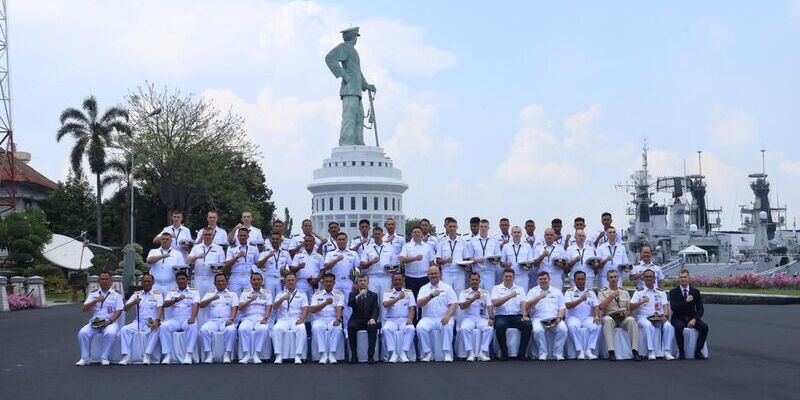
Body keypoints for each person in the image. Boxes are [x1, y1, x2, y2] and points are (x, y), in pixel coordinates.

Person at [324, 26, 376, 146]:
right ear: (353, 37)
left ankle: (358, 142)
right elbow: (329, 58)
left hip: (357, 91)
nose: (356, 39)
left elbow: (357, 71)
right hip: (349, 91)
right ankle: (346, 143)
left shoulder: (354, 52)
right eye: (355, 36)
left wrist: (366, 85)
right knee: (349, 118)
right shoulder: (344, 48)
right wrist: (344, 75)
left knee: (359, 119)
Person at [76, 271, 124, 366]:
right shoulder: (93, 294)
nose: (104, 281)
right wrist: (96, 300)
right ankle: (84, 358)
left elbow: (119, 311)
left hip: (110, 322)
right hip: (96, 322)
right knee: (82, 333)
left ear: (111, 281)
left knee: (110, 333)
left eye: (106, 279)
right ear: (99, 281)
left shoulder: (117, 295)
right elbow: (84, 309)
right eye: (102, 279)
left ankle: (104, 357)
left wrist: (109, 321)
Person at [630, 269, 675, 360]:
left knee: (669, 326)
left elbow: (665, 306)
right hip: (644, 317)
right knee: (648, 325)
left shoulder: (660, 292)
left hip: (659, 317)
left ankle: (667, 351)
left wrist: (665, 316)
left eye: (651, 276)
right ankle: (651, 351)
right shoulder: (639, 292)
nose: (649, 278)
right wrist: (641, 302)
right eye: (647, 276)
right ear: (643, 278)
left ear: (654, 278)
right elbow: (631, 306)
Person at [119, 274, 163, 365]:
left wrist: (157, 320)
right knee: (124, 330)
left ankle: (147, 355)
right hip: (139, 321)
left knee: (156, 329)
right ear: (141, 283)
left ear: (153, 283)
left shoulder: (157, 294)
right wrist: (134, 302)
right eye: (144, 281)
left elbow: (160, 308)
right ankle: (126, 356)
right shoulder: (136, 294)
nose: (146, 283)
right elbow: (125, 308)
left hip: (151, 322)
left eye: (148, 281)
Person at [416, 266, 458, 362]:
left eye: (435, 273)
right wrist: (431, 296)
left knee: (447, 326)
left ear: (440, 274)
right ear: (428, 275)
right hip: (428, 318)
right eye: (431, 274)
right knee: (420, 327)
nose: (433, 275)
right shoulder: (424, 288)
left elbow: (453, 304)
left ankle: (446, 352)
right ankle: (427, 353)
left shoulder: (447, 287)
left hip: (443, 317)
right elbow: (419, 304)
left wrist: (447, 316)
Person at [523, 271, 568, 361]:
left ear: (549, 279)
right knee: (537, 330)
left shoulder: (557, 291)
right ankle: (543, 353)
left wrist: (559, 317)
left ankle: (558, 353)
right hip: (538, 319)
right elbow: (527, 305)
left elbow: (562, 308)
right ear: (537, 281)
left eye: (545, 279)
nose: (543, 280)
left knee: (563, 329)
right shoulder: (533, 291)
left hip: (554, 318)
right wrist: (539, 297)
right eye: (540, 279)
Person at [598, 269, 640, 361]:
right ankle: (611, 352)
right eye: (611, 277)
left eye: (615, 277)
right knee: (607, 320)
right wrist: (611, 296)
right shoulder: (602, 291)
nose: (613, 279)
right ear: (608, 279)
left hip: (623, 318)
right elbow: (601, 307)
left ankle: (635, 351)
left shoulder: (624, 291)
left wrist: (627, 313)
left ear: (618, 278)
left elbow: (629, 308)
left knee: (631, 320)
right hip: (611, 317)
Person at [491, 268, 532, 360]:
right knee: (500, 326)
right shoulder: (496, 288)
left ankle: (522, 353)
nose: (508, 278)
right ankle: (504, 353)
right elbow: (495, 303)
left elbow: (523, 304)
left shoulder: (520, 289)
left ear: (514, 278)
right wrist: (509, 296)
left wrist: (525, 315)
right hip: (501, 315)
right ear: (502, 277)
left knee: (528, 325)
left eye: (510, 276)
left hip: (516, 316)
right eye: (506, 276)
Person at [160, 271, 200, 365]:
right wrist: (177, 299)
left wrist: (193, 317)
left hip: (187, 319)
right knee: (163, 326)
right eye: (179, 279)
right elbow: (165, 304)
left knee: (193, 325)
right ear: (176, 281)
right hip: (175, 319)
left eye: (183, 279)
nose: (181, 281)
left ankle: (188, 354)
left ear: (187, 280)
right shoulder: (172, 292)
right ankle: (167, 354)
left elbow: (196, 305)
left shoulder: (194, 292)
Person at [669, 269, 709, 359]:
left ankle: (698, 351)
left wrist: (695, 319)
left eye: (685, 277)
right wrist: (685, 301)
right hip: (678, 317)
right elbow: (674, 308)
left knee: (704, 327)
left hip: (691, 317)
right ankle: (681, 352)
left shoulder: (695, 292)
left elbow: (700, 309)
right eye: (681, 277)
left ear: (689, 278)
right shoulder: (673, 292)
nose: (683, 279)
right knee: (679, 327)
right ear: (679, 279)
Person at [199, 274, 239, 364]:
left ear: (226, 282)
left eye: (223, 281)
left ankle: (227, 354)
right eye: (218, 281)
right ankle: (209, 354)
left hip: (226, 320)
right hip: (212, 321)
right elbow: (201, 305)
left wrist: (231, 319)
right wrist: (211, 298)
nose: (221, 283)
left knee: (231, 330)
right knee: (203, 330)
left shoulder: (232, 294)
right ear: (214, 283)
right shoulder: (209, 294)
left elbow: (235, 308)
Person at [272, 273, 309, 364]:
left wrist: (302, 319)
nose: (290, 282)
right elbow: (275, 307)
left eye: (292, 280)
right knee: (276, 329)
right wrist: (282, 299)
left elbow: (305, 309)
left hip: (296, 318)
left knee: (301, 329)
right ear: (285, 282)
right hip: (283, 319)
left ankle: (298, 355)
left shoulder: (302, 294)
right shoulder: (280, 294)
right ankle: (278, 355)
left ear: (296, 282)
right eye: (288, 280)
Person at [237, 272, 273, 364]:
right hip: (248, 318)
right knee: (242, 329)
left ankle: (257, 353)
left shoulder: (267, 293)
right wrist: (250, 300)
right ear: (250, 281)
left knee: (263, 329)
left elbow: (269, 307)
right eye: (254, 279)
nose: (256, 281)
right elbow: (240, 307)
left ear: (262, 281)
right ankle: (246, 354)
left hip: (261, 318)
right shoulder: (245, 293)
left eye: (258, 279)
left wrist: (266, 318)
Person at [564, 271, 600, 360]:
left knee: (597, 325)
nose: (581, 281)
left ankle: (589, 349)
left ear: (585, 280)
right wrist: (580, 299)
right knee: (572, 326)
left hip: (586, 318)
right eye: (579, 279)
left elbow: (596, 306)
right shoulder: (570, 292)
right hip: (573, 317)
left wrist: (596, 317)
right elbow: (568, 306)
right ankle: (580, 350)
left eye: (583, 279)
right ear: (575, 280)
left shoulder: (590, 292)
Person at [309, 274, 345, 364]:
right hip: (319, 318)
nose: (328, 283)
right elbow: (312, 310)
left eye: (330, 281)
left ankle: (332, 354)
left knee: (337, 327)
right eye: (326, 281)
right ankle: (323, 354)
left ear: (334, 282)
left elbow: (339, 308)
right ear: (323, 282)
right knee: (317, 327)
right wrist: (325, 303)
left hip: (333, 318)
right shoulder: (317, 295)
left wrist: (338, 319)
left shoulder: (339, 294)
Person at [458, 272, 493, 362]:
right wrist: (473, 299)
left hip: (481, 318)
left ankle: (482, 352)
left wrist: (491, 318)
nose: (474, 281)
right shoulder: (464, 293)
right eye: (472, 280)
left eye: (476, 280)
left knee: (489, 328)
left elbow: (489, 306)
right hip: (468, 317)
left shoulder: (485, 293)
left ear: (479, 281)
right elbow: (462, 307)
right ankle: (470, 352)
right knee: (463, 329)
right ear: (469, 280)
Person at [382, 272, 416, 363]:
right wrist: (398, 298)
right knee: (385, 329)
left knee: (411, 328)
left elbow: (412, 307)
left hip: (404, 319)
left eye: (399, 280)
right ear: (392, 281)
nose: (397, 282)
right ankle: (393, 353)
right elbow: (385, 304)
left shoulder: (409, 292)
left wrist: (410, 319)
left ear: (403, 280)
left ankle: (403, 352)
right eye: (395, 280)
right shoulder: (387, 292)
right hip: (391, 320)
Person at [347, 274, 380, 363]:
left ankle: (370, 356)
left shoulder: (373, 295)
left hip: (368, 319)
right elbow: (350, 304)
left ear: (368, 282)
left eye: (364, 281)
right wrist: (359, 295)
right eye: (360, 281)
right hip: (356, 319)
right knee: (351, 327)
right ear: (357, 282)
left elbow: (376, 309)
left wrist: (373, 318)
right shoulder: (353, 294)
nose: (362, 283)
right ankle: (354, 356)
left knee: (373, 327)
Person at [398, 225, 436, 299]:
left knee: (425, 298)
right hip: (410, 277)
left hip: (425, 277)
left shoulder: (428, 247)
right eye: (415, 232)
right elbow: (402, 259)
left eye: (419, 232)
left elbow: (432, 262)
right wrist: (415, 258)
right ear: (412, 234)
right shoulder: (407, 246)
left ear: (422, 233)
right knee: (412, 299)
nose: (417, 234)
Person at [187, 226, 226, 296]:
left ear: (213, 236)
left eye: (209, 235)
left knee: (212, 300)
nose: (207, 237)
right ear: (202, 235)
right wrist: (196, 257)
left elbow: (223, 265)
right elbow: (188, 261)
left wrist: (218, 270)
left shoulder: (219, 249)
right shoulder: (196, 247)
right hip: (198, 278)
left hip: (213, 278)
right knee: (198, 300)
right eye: (205, 235)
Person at [436, 218, 471, 293]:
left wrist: (464, 264)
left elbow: (466, 259)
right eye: (450, 226)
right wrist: (445, 261)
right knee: (447, 294)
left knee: (460, 294)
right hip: (446, 272)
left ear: (457, 227)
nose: (452, 228)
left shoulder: (462, 242)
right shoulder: (442, 242)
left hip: (459, 272)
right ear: (447, 227)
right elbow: (437, 260)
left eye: (454, 226)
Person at [360, 226, 395, 300]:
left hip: (386, 277)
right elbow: (362, 265)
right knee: (373, 301)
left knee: (385, 300)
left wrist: (391, 269)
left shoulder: (390, 247)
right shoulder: (368, 248)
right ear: (373, 236)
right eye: (375, 234)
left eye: (379, 234)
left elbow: (395, 264)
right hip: (373, 277)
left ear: (382, 235)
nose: (377, 236)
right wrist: (372, 262)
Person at [223, 228, 259, 295]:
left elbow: (257, 263)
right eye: (241, 235)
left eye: (244, 236)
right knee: (235, 298)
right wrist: (237, 256)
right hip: (235, 276)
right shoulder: (232, 248)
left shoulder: (254, 247)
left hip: (249, 276)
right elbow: (227, 264)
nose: (242, 237)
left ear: (248, 236)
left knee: (248, 298)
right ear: (237, 236)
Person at [255, 232, 291, 296]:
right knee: (269, 299)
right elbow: (258, 265)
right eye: (273, 239)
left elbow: (290, 267)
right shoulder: (265, 252)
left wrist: (285, 276)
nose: (275, 241)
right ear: (271, 240)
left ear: (280, 240)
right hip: (269, 279)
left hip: (281, 280)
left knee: (281, 299)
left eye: (277, 239)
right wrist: (268, 256)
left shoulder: (285, 253)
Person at [500, 226, 534, 292]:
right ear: (511, 234)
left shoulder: (527, 246)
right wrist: (506, 264)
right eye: (515, 232)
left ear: (521, 234)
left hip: (523, 276)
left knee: (522, 296)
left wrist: (527, 266)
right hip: (510, 277)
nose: (516, 234)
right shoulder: (506, 246)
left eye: (518, 232)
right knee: (509, 297)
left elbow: (531, 262)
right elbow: (501, 263)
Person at [470, 219, 502, 290]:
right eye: (481, 226)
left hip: (490, 272)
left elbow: (498, 256)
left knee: (489, 294)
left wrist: (495, 261)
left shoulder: (494, 241)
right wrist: (476, 260)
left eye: (485, 227)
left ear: (488, 228)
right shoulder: (472, 241)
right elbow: (468, 258)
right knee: (477, 293)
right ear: (479, 227)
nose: (483, 228)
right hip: (477, 272)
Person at [292, 234, 325, 301]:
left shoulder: (319, 256)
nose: (308, 243)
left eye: (310, 241)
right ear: (304, 243)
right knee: (301, 304)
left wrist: (317, 279)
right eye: (306, 241)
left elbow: (322, 270)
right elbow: (292, 269)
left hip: (315, 284)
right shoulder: (298, 255)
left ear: (314, 243)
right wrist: (299, 267)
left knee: (314, 304)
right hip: (301, 283)